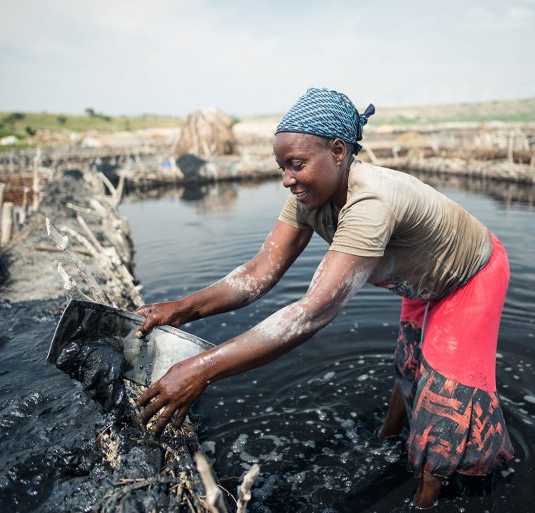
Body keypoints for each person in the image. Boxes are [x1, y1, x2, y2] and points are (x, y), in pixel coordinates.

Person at [134, 87, 514, 508]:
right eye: (282, 166)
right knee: (409, 363)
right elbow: (259, 273)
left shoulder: (370, 201)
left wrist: (201, 369)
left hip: (468, 276)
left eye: (296, 165)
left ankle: (425, 498)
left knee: (444, 400)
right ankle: (388, 437)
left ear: (338, 150)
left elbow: (311, 313)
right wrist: (179, 310)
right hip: (420, 278)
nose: (287, 179)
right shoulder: (306, 197)